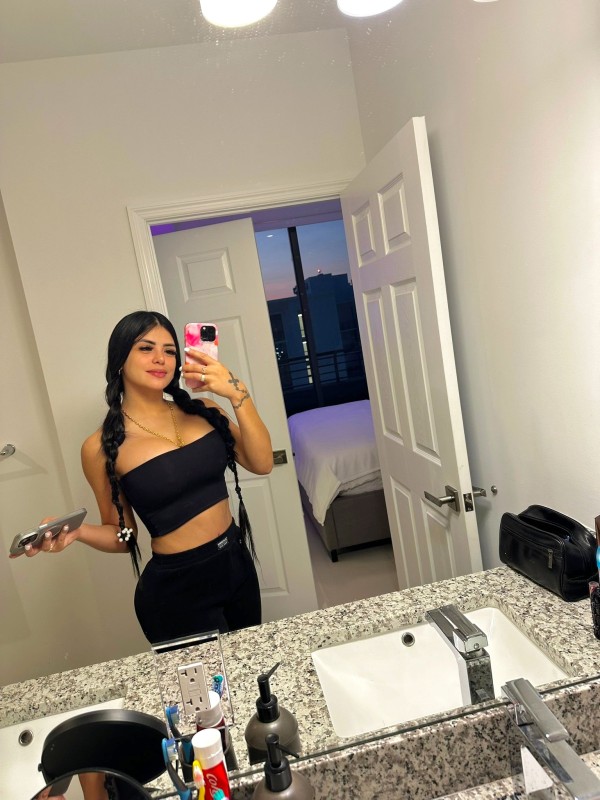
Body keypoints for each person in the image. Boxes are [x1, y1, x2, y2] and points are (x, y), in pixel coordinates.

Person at [19, 310, 272, 643]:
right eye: (146, 348)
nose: (160, 359)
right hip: (177, 591)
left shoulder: (206, 411)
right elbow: (123, 536)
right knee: (209, 680)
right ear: (120, 359)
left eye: (169, 351)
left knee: (251, 664)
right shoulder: (100, 447)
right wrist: (78, 532)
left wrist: (238, 394)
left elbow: (262, 463)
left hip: (235, 562)